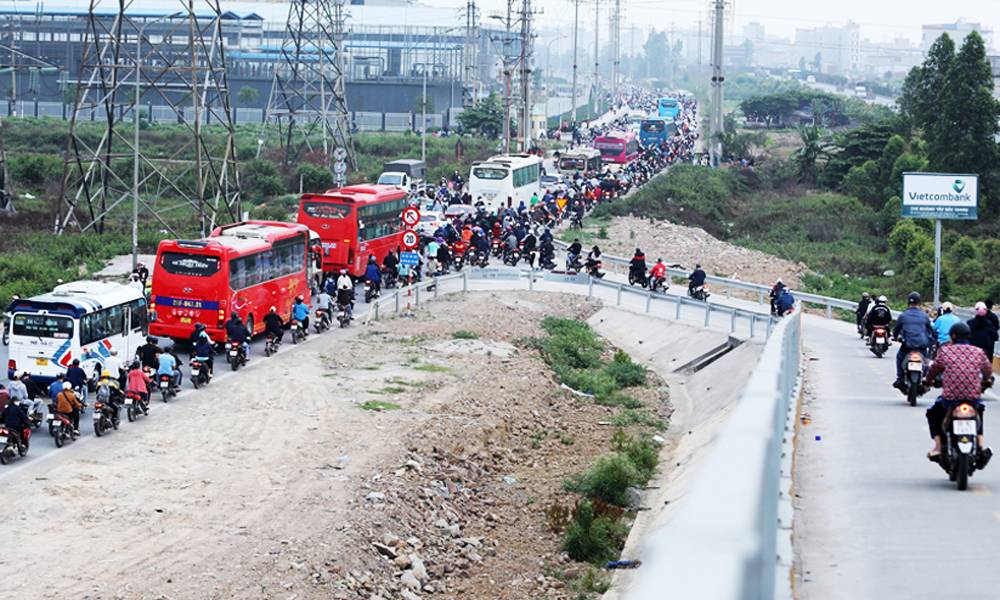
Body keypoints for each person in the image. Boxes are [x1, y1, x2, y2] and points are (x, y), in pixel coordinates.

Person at [922, 322, 993, 464]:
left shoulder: (945, 352)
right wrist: (986, 380)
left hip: (950, 399)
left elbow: (934, 370)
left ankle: (938, 446)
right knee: (979, 412)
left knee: (933, 413)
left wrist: (927, 380)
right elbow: (988, 371)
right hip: (973, 398)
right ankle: (980, 446)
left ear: (953, 336)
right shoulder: (978, 352)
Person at [892, 291, 935, 389]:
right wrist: (931, 341)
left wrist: (894, 337)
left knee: (899, 358)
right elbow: (931, 331)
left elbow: (896, 329)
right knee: (926, 361)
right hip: (922, 346)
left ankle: (900, 377)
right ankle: (925, 378)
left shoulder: (903, 315)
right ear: (920, 303)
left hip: (907, 346)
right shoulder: (924, 316)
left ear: (908, 303)